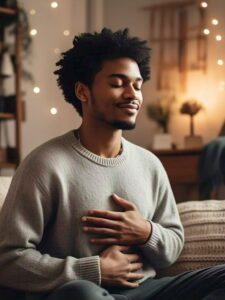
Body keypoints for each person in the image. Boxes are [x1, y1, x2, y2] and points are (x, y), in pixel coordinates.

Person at [0, 28, 224, 300]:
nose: (133, 94)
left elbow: (173, 244)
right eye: (118, 83)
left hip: (147, 292)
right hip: (84, 292)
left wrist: (146, 232)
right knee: (81, 294)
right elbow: (8, 261)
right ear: (83, 91)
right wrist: (92, 270)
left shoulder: (150, 164)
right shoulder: (44, 164)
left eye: (138, 85)